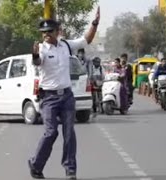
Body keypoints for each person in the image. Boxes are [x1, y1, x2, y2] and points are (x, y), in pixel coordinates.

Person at [28, 7, 100, 180]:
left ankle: (70, 169)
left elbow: (86, 40)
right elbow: (38, 62)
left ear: (57, 32)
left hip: (67, 96)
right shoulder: (42, 49)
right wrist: (35, 54)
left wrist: (95, 24)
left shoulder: (66, 45)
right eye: (43, 32)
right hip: (49, 98)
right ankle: (36, 165)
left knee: (69, 132)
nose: (46, 34)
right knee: (51, 132)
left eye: (49, 31)